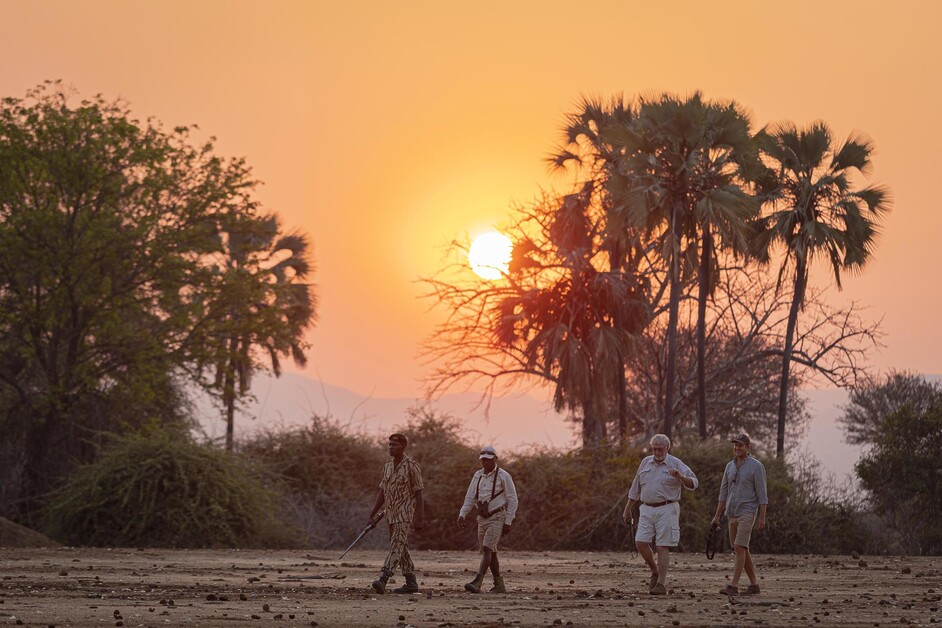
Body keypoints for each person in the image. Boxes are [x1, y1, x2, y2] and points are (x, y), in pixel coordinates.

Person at [622, 434, 698, 595]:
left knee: (662, 545)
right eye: (654, 449)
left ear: (667, 448)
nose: (657, 452)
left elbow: (694, 483)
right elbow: (635, 487)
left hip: (667, 508)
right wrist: (628, 508)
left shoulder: (675, 463)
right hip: (646, 507)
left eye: (660, 449)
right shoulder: (645, 462)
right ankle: (654, 571)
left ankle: (661, 584)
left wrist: (681, 477)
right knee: (640, 541)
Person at [711, 432, 768, 596]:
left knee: (739, 546)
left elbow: (762, 494)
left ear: (748, 447)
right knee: (742, 548)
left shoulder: (757, 467)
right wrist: (717, 516)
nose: (737, 448)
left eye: (740, 445)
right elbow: (723, 492)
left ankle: (733, 586)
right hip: (731, 513)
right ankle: (754, 585)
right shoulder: (729, 466)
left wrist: (762, 517)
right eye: (735, 445)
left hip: (747, 512)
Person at [368, 433, 425, 594]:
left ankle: (384, 578)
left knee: (395, 546)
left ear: (403, 447)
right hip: (391, 515)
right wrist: (372, 514)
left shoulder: (412, 466)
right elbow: (383, 492)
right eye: (390, 444)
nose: (390, 447)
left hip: (404, 514)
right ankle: (411, 583)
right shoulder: (387, 466)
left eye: (394, 445)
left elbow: (419, 493)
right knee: (401, 547)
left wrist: (419, 518)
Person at [457, 445, 518, 594]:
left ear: (495, 459)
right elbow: (470, 497)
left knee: (487, 549)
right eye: (483, 460)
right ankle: (499, 584)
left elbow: (512, 499)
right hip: (482, 518)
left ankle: (478, 581)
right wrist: (462, 514)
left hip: (497, 516)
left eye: (489, 460)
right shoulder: (477, 475)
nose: (486, 462)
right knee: (491, 552)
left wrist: (508, 521)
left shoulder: (504, 476)